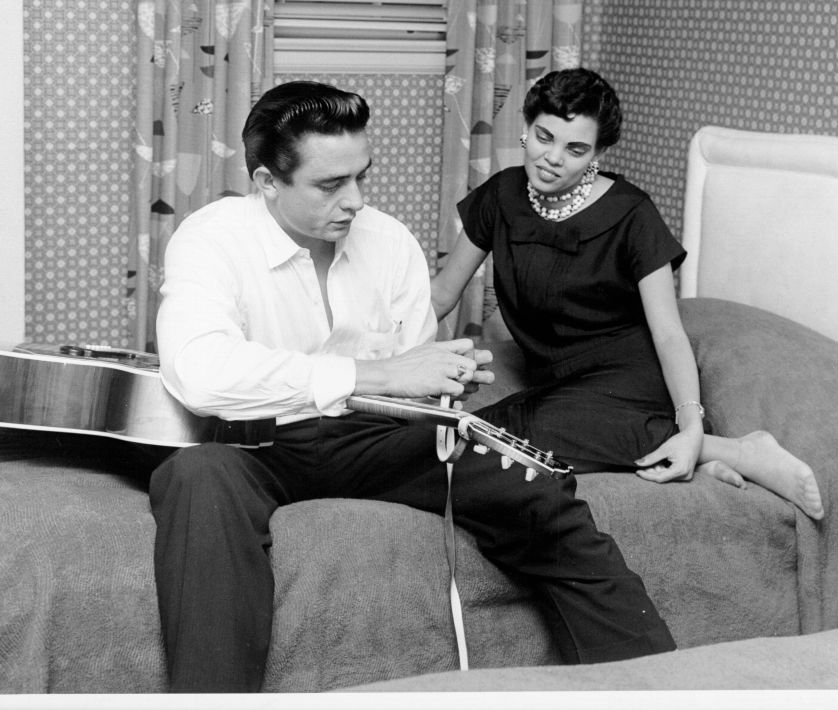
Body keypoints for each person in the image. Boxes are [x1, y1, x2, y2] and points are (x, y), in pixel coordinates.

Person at [150, 80, 677, 692]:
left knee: (528, 486)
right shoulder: (210, 238)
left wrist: (439, 379)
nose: (354, 202)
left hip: (376, 437)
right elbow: (200, 372)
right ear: (267, 182)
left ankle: (657, 686)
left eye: (361, 178)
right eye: (329, 185)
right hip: (253, 446)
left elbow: (415, 376)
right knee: (194, 479)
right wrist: (375, 373)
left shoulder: (388, 240)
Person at [431, 67, 825, 521]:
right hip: (554, 379)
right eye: (544, 137)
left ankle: (739, 450)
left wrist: (692, 426)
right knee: (477, 432)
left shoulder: (632, 213)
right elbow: (442, 293)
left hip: (625, 378)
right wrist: (378, 359)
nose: (552, 158)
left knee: (508, 438)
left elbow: (669, 334)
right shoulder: (501, 195)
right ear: (526, 128)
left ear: (598, 153)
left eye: (575, 149)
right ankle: (691, 457)